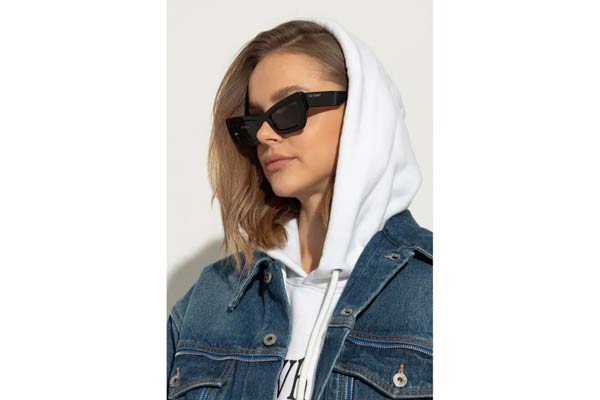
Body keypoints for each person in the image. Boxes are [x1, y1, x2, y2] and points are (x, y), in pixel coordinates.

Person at [167, 16, 432, 400]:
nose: (264, 134)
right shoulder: (211, 298)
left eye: (289, 109)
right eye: (254, 121)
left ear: (364, 111)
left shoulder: (431, 288)